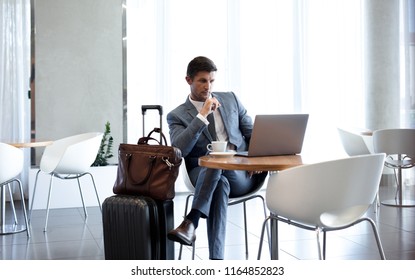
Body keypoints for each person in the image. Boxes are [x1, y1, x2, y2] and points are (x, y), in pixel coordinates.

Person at [166, 56, 267, 260]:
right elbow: (179, 149)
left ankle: (191, 222)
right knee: (217, 175)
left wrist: (256, 159)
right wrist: (201, 116)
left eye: (212, 81)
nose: (208, 86)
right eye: (202, 81)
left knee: (217, 169)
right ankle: (216, 262)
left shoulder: (231, 99)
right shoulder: (176, 115)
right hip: (201, 173)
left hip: (241, 173)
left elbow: (253, 134)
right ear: (188, 80)